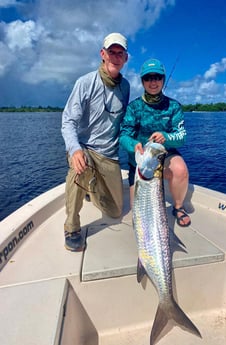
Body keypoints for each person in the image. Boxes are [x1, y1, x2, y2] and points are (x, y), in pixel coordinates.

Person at [61, 33, 130, 251]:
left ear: (126, 58)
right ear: (103, 54)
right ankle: (71, 228)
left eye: (120, 53)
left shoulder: (126, 87)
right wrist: (74, 150)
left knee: (116, 211)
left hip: (110, 155)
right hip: (86, 148)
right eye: (112, 52)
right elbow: (68, 120)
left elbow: (124, 122)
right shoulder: (85, 82)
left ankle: (92, 189)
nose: (116, 57)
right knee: (79, 169)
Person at [120, 58, 191, 227]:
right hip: (140, 162)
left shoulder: (173, 107)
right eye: (148, 78)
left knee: (180, 170)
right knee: (137, 215)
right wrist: (134, 145)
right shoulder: (133, 107)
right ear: (142, 81)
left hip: (164, 155)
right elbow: (123, 135)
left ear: (163, 79)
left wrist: (166, 136)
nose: (153, 82)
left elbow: (182, 136)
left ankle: (179, 207)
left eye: (157, 77)